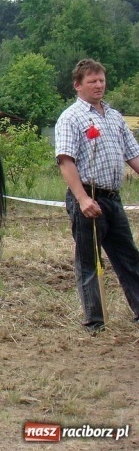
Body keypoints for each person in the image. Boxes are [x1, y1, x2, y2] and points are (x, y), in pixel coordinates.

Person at [55, 58, 139, 333]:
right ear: (78, 86)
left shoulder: (114, 117)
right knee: (89, 261)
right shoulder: (71, 117)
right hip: (88, 198)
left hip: (113, 199)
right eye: (92, 81)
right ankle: (95, 322)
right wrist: (82, 199)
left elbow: (133, 155)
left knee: (129, 257)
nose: (98, 85)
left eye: (101, 80)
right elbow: (65, 161)